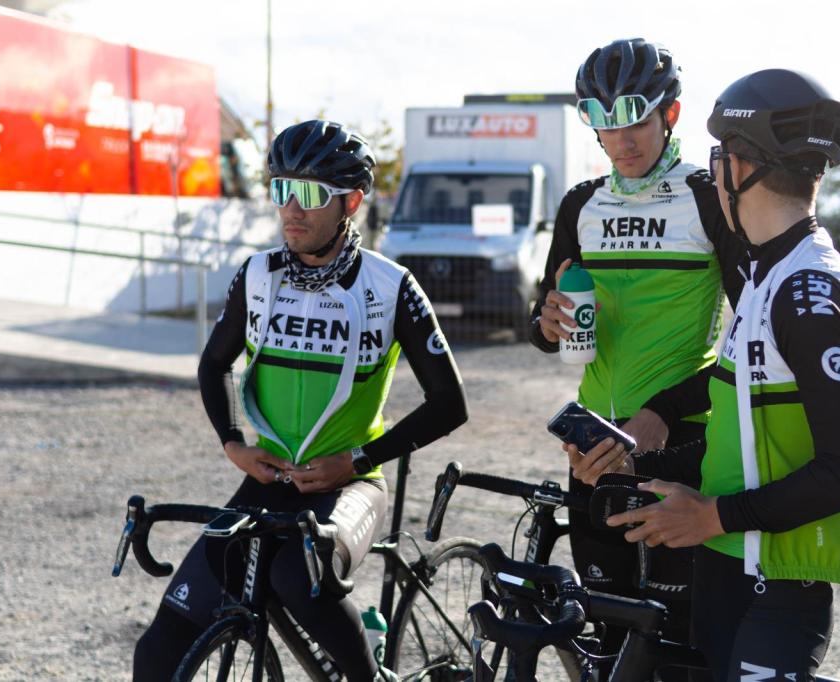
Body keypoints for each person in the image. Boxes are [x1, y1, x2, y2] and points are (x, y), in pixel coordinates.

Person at [132, 120, 468, 682]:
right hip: (268, 481)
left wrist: (356, 461)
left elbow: (450, 403)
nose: (291, 208)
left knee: (296, 575)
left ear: (351, 202)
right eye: (282, 189)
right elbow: (213, 364)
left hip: (351, 484)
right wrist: (234, 444)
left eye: (310, 194)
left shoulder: (390, 286)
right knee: (156, 654)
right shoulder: (258, 276)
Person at [606, 69, 840, 680]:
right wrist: (634, 465)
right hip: (731, 567)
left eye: (719, 156)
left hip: (776, 581)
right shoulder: (766, 277)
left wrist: (712, 516)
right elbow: (741, 439)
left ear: (737, 168)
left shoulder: (806, 291)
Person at [529, 37, 744, 661]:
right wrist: (546, 323)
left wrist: (666, 410)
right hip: (593, 446)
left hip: (680, 441)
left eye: (636, 122)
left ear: (669, 115)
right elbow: (542, 326)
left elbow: (754, 336)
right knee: (607, 636)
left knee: (676, 646)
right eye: (604, 123)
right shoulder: (580, 204)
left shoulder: (706, 198)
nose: (621, 141)